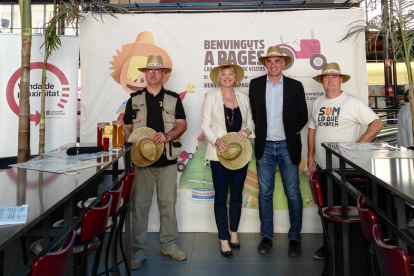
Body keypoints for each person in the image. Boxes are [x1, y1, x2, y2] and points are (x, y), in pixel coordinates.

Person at [307, 62, 383, 269]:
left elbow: (377, 123)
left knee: (345, 209)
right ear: (322, 81)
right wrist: (310, 156)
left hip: (345, 170)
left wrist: (356, 147)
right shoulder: (318, 102)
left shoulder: (352, 102)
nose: (330, 80)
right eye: (326, 77)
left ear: (341, 80)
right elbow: (312, 129)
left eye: (334, 77)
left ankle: (352, 251)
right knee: (325, 207)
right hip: (323, 166)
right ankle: (329, 246)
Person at [123, 55, 187, 269]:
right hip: (140, 163)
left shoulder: (173, 98)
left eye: (157, 70)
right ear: (145, 73)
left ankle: (169, 245)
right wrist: (128, 137)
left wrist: (168, 136)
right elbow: (127, 127)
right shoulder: (134, 99)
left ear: (163, 74)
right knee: (139, 208)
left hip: (167, 161)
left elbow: (182, 124)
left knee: (168, 205)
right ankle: (139, 251)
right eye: (149, 70)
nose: (152, 73)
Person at [249, 46, 308, 256]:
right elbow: (255, 114)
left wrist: (289, 133)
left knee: (293, 194)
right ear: (265, 64)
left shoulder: (295, 86)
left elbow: (303, 116)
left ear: (283, 64)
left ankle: (294, 237)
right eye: (269, 61)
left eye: (277, 61)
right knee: (264, 194)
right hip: (264, 147)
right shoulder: (255, 85)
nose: (273, 65)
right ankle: (266, 236)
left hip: (287, 146)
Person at [201, 60, 255, 258]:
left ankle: (234, 233)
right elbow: (205, 125)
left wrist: (248, 130)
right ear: (218, 77)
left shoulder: (244, 98)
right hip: (219, 155)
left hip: (240, 154)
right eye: (223, 74)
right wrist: (216, 141)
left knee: (237, 196)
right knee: (222, 197)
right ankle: (223, 239)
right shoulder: (212, 98)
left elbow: (251, 122)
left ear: (235, 77)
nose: (226, 77)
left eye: (230, 74)